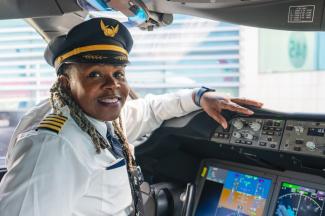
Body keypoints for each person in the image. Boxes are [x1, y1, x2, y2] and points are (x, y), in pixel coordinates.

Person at [0, 17, 263, 216]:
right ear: (66, 83)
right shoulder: (54, 145)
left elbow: (150, 109)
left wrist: (199, 96)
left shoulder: (98, 116)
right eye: (94, 74)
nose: (112, 85)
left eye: (118, 74)